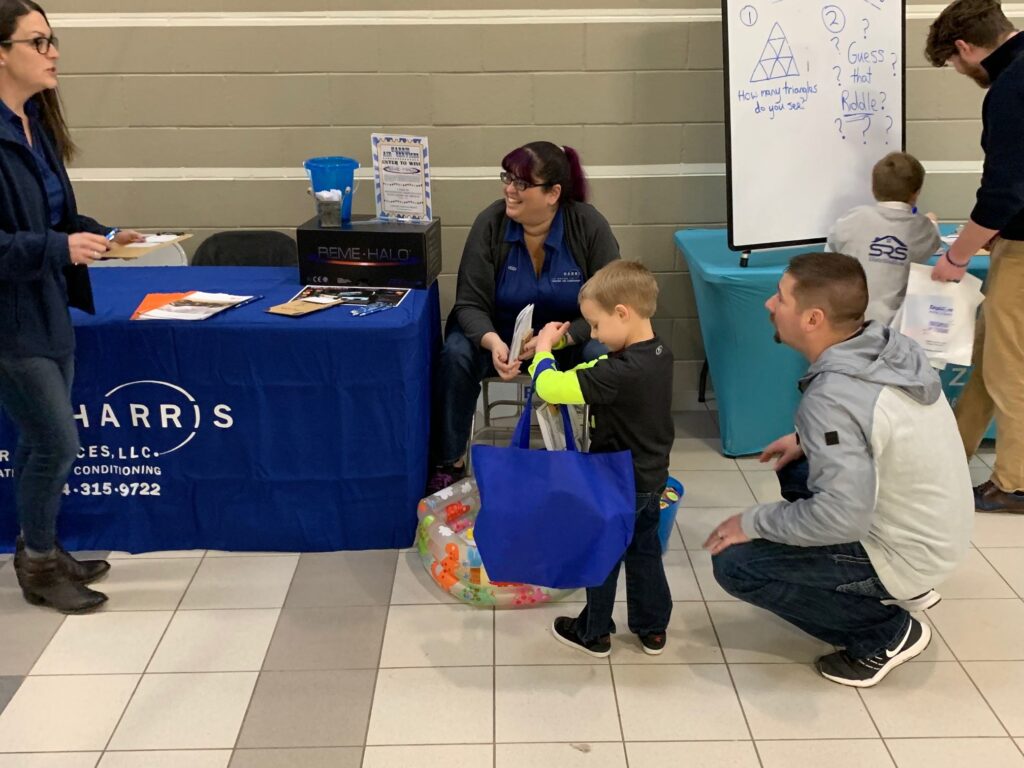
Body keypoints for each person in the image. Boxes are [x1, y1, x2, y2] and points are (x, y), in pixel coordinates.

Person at [706, 253, 973, 687]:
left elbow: (841, 517)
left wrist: (751, 522)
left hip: (907, 550)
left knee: (736, 564)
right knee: (798, 466)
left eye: (780, 298)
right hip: (940, 530)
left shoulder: (832, 398)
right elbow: (879, 427)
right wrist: (803, 439)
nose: (769, 306)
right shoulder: (885, 344)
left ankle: (885, 633)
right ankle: (901, 589)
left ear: (812, 319)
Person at [0, 0, 144, 612]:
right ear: (1, 53)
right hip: (10, 318)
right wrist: (59, 246)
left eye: (53, 40)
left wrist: (104, 234)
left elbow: (54, 217)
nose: (53, 52)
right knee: (58, 443)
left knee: (39, 441)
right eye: (38, 42)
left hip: (49, 303)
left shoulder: (35, 124)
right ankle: (37, 565)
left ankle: (44, 546)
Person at [426, 141, 620, 493]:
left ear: (553, 194)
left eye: (521, 184)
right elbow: (469, 304)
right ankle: (450, 460)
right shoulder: (490, 223)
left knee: (603, 355)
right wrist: (493, 342)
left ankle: (605, 458)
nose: (509, 190)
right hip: (501, 340)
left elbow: (610, 306)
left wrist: (559, 339)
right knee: (456, 353)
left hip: (569, 340)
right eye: (507, 179)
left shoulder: (588, 226)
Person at [529, 261, 674, 657]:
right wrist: (562, 345)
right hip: (651, 475)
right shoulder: (658, 351)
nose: (591, 334)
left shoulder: (619, 373)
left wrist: (543, 350)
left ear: (622, 313)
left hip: (616, 480)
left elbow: (551, 386)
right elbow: (598, 366)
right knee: (644, 550)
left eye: (595, 325)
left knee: (602, 553)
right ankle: (652, 627)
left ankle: (593, 631)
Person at [926, 0, 1024, 514]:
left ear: (965, 47)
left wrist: (958, 256)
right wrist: (990, 233)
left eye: (955, 64)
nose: (961, 73)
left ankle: (1014, 484)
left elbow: (1005, 190)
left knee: (1010, 368)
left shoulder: (1010, 87)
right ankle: (951, 456)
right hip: (1015, 237)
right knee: (989, 356)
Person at [827, 151, 941, 325]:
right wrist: (932, 221)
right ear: (916, 193)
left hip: (846, 322)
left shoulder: (852, 218)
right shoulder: (922, 228)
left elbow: (831, 248)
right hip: (894, 328)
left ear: (873, 188)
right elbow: (931, 245)